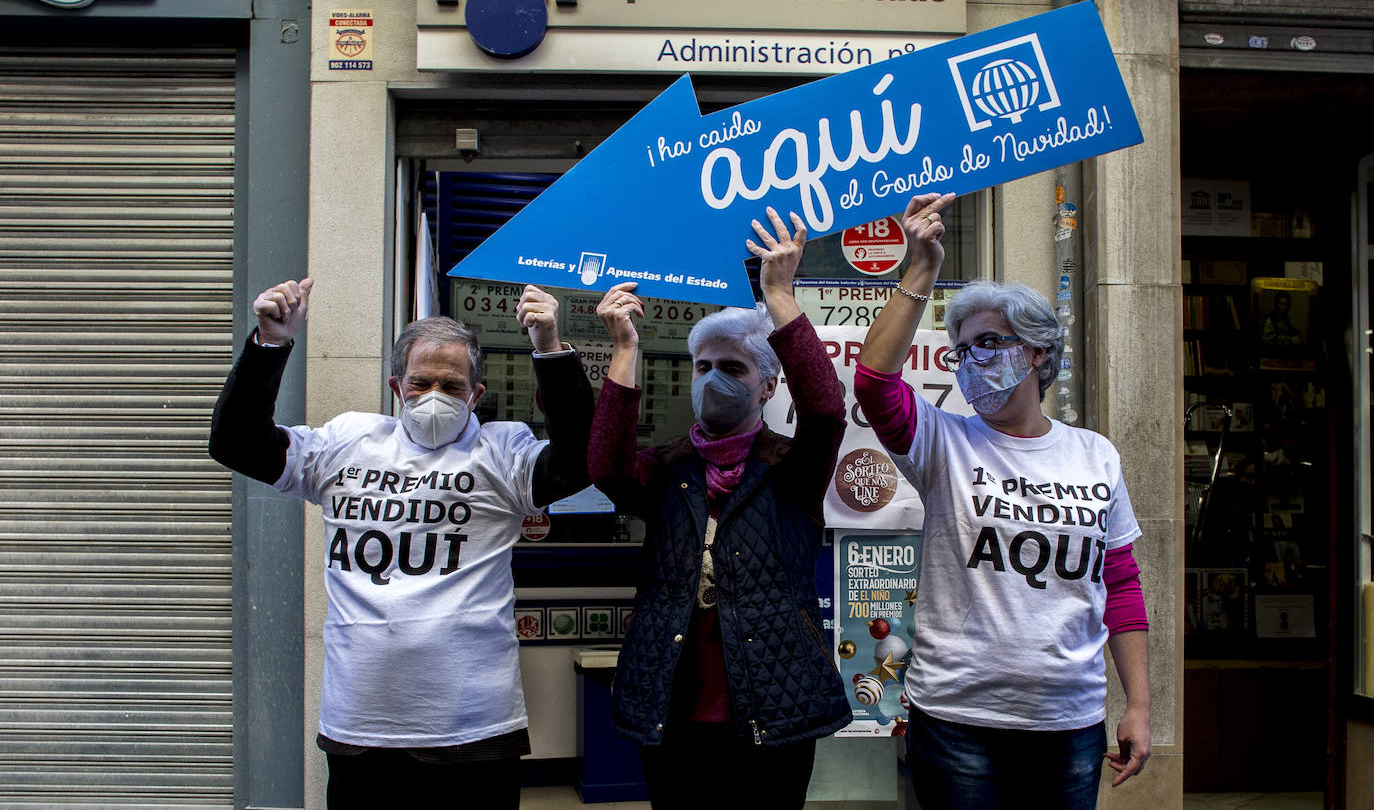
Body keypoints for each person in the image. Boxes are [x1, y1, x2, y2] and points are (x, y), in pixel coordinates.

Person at [208, 277, 593, 809]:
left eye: (453, 386)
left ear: (476, 394)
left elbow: (578, 461)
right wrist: (270, 343)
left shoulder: (501, 451)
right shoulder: (347, 441)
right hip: (361, 727)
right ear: (396, 388)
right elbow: (237, 442)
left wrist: (550, 350)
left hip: (473, 730)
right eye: (420, 383)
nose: (434, 396)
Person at [854, 193, 1152, 810]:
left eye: (989, 343)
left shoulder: (1095, 454)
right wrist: (921, 268)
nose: (972, 363)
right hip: (958, 721)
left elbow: (1120, 585)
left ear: (1037, 352)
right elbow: (876, 384)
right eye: (962, 351)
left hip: (1069, 726)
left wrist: (1140, 706)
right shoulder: (944, 441)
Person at [588, 208, 851, 809]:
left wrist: (779, 297)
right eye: (702, 367)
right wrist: (626, 350)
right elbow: (605, 468)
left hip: (775, 705)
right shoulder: (666, 468)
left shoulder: (790, 469)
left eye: (732, 368)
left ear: (767, 385)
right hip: (671, 707)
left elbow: (828, 411)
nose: (713, 379)